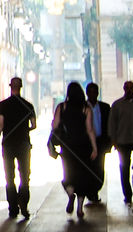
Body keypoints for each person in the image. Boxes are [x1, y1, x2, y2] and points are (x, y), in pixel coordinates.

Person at [52, 82, 98, 218]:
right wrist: (94, 148)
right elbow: (90, 129)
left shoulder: (62, 107)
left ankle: (70, 194)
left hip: (67, 147)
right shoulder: (86, 108)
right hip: (83, 147)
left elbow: (55, 125)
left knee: (68, 174)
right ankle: (79, 209)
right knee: (82, 176)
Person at [0, 76, 37, 219]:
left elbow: (0, 124)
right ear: (21, 87)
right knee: (25, 176)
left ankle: (12, 208)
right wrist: (25, 130)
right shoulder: (28, 105)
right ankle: (23, 202)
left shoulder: (3, 105)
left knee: (9, 177)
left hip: (8, 144)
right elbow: (33, 125)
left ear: (10, 86)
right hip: (24, 143)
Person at [85, 82, 112, 202]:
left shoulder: (105, 107)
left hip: (101, 142)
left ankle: (96, 187)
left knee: (100, 167)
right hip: (87, 143)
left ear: (98, 93)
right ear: (87, 93)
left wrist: (110, 141)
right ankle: (91, 192)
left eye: (94, 92)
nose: (92, 94)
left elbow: (110, 125)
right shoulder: (83, 107)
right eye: (90, 92)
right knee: (89, 167)